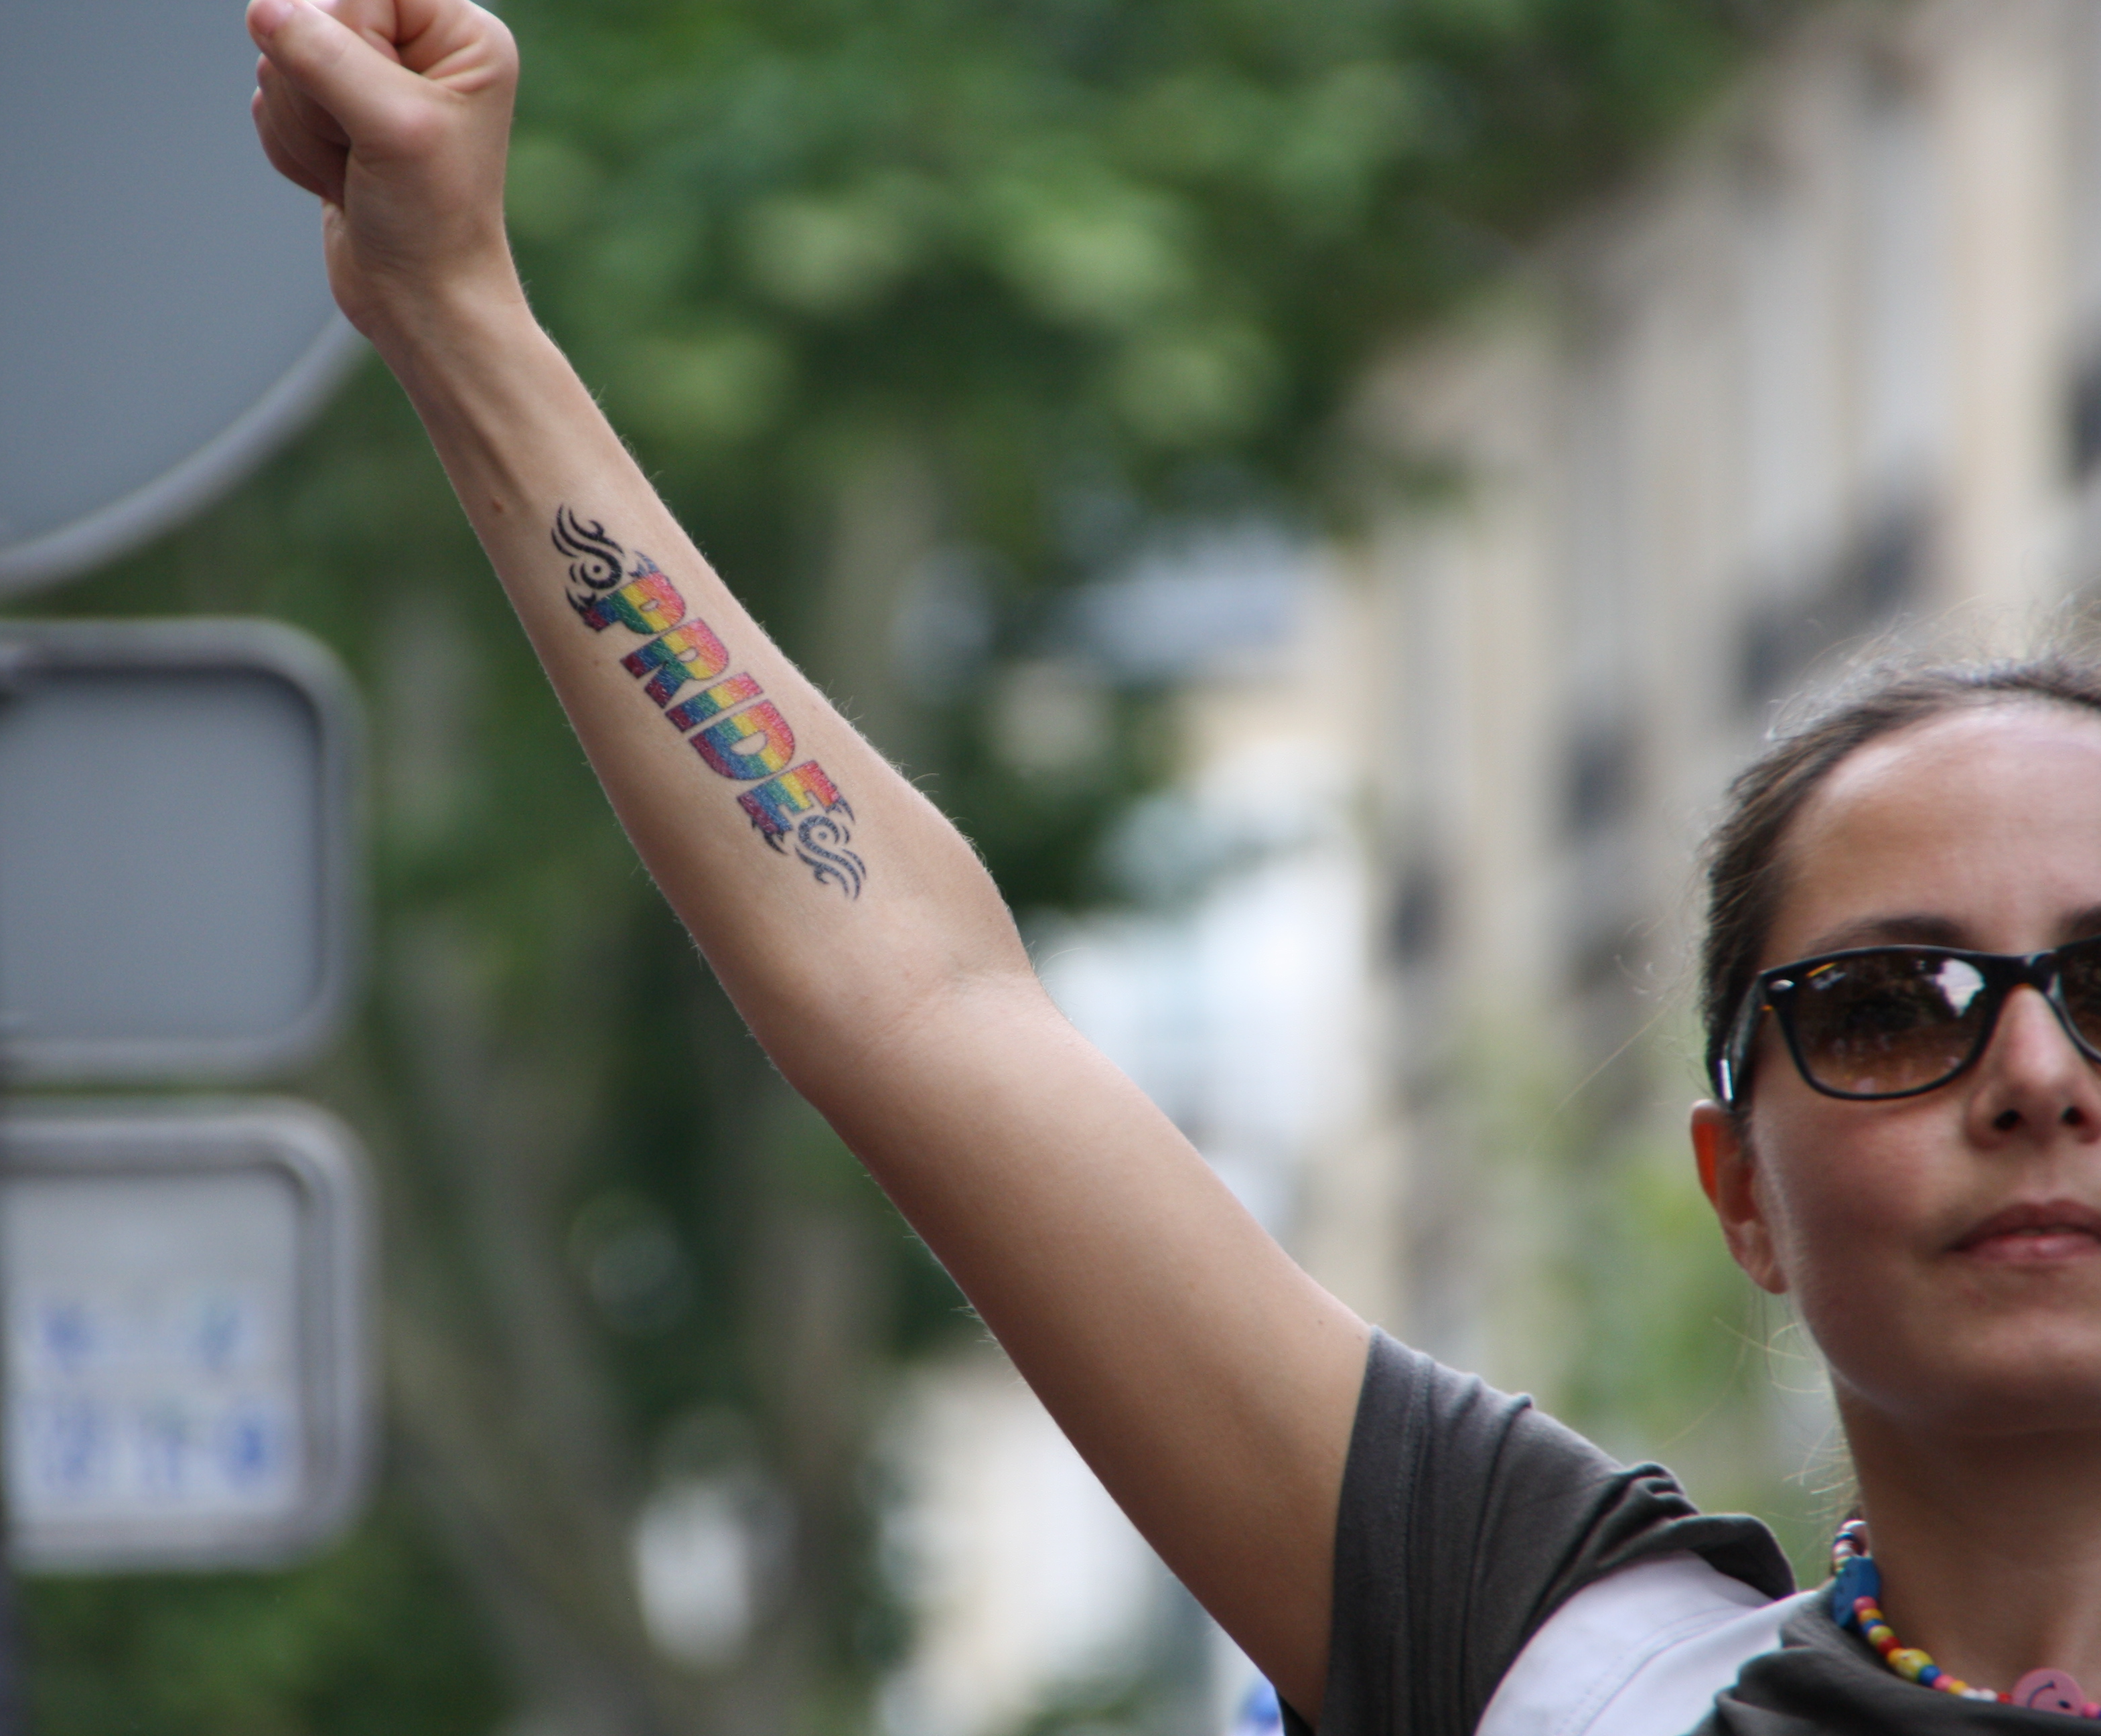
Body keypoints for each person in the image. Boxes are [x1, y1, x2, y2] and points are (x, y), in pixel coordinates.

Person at [240, 1, 2101, 1727]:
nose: (2034, 1075)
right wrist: (454, 303)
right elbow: (918, 1001)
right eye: (1889, 1005)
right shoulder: (1557, 1665)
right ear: (1740, 1187)